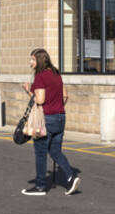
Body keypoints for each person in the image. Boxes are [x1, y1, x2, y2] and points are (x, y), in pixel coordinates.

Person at [23, 48, 80, 197]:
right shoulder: (56, 74)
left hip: (47, 118)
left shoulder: (41, 76)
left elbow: (40, 100)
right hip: (60, 117)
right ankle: (71, 176)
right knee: (55, 151)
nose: (30, 63)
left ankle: (40, 186)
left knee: (40, 152)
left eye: (33, 60)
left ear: (40, 60)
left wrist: (28, 91)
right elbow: (65, 96)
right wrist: (56, 109)